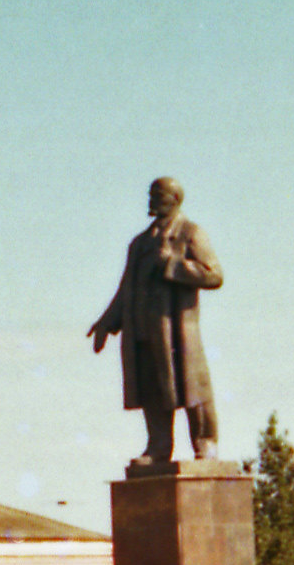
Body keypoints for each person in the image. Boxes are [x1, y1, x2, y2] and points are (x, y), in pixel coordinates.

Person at [88, 177, 224, 465]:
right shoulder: (139, 243)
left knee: (192, 388)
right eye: (151, 194)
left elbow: (214, 275)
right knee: (152, 389)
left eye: (157, 194)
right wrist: (106, 324)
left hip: (177, 331)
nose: (151, 199)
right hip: (143, 330)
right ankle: (159, 446)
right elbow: (126, 290)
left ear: (175, 199)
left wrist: (172, 265)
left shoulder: (190, 233)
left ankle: (205, 444)